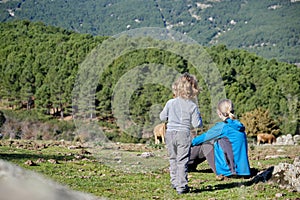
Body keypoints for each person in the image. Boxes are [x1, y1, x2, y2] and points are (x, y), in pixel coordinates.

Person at [160, 72, 202, 194]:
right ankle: (182, 185)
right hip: (184, 134)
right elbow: (196, 124)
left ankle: (174, 181)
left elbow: (162, 117)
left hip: (170, 133)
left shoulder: (170, 102)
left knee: (173, 158)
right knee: (182, 160)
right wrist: (199, 117)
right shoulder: (192, 106)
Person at [190, 99, 251, 179]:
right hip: (244, 171)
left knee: (206, 144)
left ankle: (186, 164)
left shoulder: (223, 127)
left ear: (219, 113)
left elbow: (203, 137)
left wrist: (189, 143)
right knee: (215, 141)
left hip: (229, 171)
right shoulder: (239, 126)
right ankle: (188, 164)